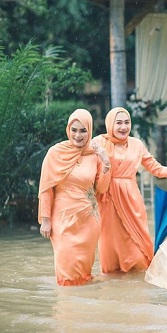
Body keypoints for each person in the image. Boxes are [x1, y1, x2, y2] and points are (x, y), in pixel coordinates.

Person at [93, 107, 167, 274]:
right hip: (108, 200)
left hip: (132, 199)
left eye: (127, 122)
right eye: (118, 123)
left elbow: (155, 167)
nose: (123, 127)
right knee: (110, 243)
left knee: (138, 247)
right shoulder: (99, 142)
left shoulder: (137, 144)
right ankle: (113, 286)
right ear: (110, 123)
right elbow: (85, 165)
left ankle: (138, 285)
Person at [38, 109, 111, 286]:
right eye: (74, 130)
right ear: (68, 130)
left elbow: (101, 189)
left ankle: (83, 312)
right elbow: (46, 188)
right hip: (62, 221)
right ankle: (65, 312)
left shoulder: (94, 155)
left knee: (84, 278)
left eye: (83, 130)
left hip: (88, 222)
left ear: (90, 131)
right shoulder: (55, 153)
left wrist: (106, 163)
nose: (78, 135)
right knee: (66, 277)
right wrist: (46, 220)